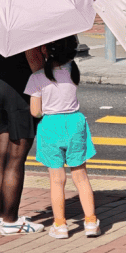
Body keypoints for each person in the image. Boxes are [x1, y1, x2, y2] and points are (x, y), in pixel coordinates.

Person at [25, 36, 100, 239]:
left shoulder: (37, 77)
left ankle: (60, 225)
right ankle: (91, 222)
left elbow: (35, 112)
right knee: (81, 177)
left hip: (51, 125)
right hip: (75, 123)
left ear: (45, 50)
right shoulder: (73, 71)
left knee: (57, 180)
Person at [0, 46, 45, 235]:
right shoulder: (27, 31)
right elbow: (35, 63)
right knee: (16, 157)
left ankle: (0, 216)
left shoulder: (0, 27)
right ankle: (10, 220)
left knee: (0, 153)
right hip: (21, 88)